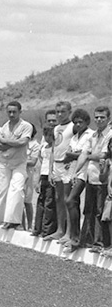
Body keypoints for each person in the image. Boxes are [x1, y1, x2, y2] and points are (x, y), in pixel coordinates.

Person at [75, 106, 111, 252]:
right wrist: (75, 173)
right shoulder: (93, 136)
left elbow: (103, 155)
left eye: (102, 117)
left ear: (108, 119)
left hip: (104, 180)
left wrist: (88, 156)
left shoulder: (110, 136)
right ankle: (88, 240)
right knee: (89, 210)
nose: (99, 120)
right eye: (96, 117)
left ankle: (100, 243)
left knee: (101, 212)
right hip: (91, 178)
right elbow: (84, 155)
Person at [0, 101, 32, 229]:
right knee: (2, 190)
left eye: (14, 112)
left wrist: (7, 142)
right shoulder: (4, 127)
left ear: (20, 112)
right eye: (9, 112)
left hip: (19, 163)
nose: (11, 114)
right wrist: (12, 142)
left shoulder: (26, 126)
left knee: (17, 189)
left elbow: (23, 141)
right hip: (4, 162)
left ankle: (13, 221)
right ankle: (0, 219)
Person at [61, 108, 93, 252]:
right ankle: (73, 236)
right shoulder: (75, 137)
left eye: (81, 122)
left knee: (70, 200)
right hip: (72, 172)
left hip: (84, 172)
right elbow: (69, 154)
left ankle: (76, 238)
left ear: (86, 122)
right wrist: (72, 155)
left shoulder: (90, 135)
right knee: (71, 202)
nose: (78, 125)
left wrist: (72, 154)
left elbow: (84, 154)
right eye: (76, 122)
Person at [44, 101, 74, 241]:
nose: (60, 114)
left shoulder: (73, 127)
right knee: (58, 198)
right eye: (58, 112)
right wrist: (50, 170)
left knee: (68, 199)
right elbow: (53, 150)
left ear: (69, 111)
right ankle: (60, 229)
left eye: (63, 111)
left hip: (67, 166)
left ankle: (69, 232)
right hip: (56, 166)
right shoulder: (56, 129)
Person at [32, 110, 58, 237]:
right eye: (46, 135)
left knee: (49, 203)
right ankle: (37, 228)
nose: (48, 138)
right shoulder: (43, 147)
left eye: (50, 135)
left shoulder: (55, 147)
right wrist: (37, 181)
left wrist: (50, 174)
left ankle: (47, 229)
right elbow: (41, 162)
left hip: (51, 175)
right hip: (43, 176)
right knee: (41, 201)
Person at [23, 125, 41, 230]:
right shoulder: (20, 143)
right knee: (18, 201)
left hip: (28, 175)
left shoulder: (35, 145)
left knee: (27, 202)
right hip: (17, 174)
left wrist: (20, 161)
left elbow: (32, 162)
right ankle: (22, 225)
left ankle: (30, 226)